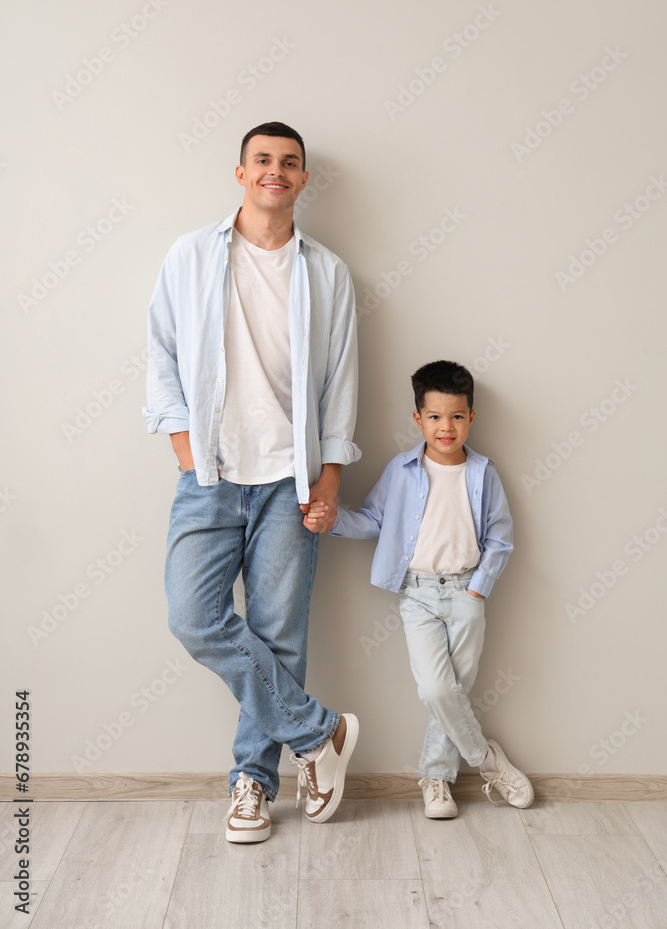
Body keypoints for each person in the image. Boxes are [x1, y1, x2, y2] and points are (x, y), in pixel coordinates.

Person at [143, 121, 360, 843]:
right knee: (192, 617)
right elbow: (162, 353)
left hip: (290, 481)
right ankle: (318, 734)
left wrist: (327, 480)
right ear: (240, 173)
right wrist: (183, 447)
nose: (276, 171)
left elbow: (340, 384)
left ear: (302, 180)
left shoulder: (326, 272)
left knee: (277, 634)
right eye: (262, 160)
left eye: (289, 163)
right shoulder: (190, 256)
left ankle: (252, 783)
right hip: (209, 473)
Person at [307, 360, 533, 818]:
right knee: (436, 689)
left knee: (453, 692)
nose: (445, 427)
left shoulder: (484, 473)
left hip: (469, 594)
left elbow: (501, 539)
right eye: (434, 416)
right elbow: (372, 519)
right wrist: (331, 520)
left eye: (455, 416)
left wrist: (477, 593)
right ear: (418, 419)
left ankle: (435, 780)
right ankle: (488, 761)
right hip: (418, 595)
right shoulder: (402, 470)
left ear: (471, 417)